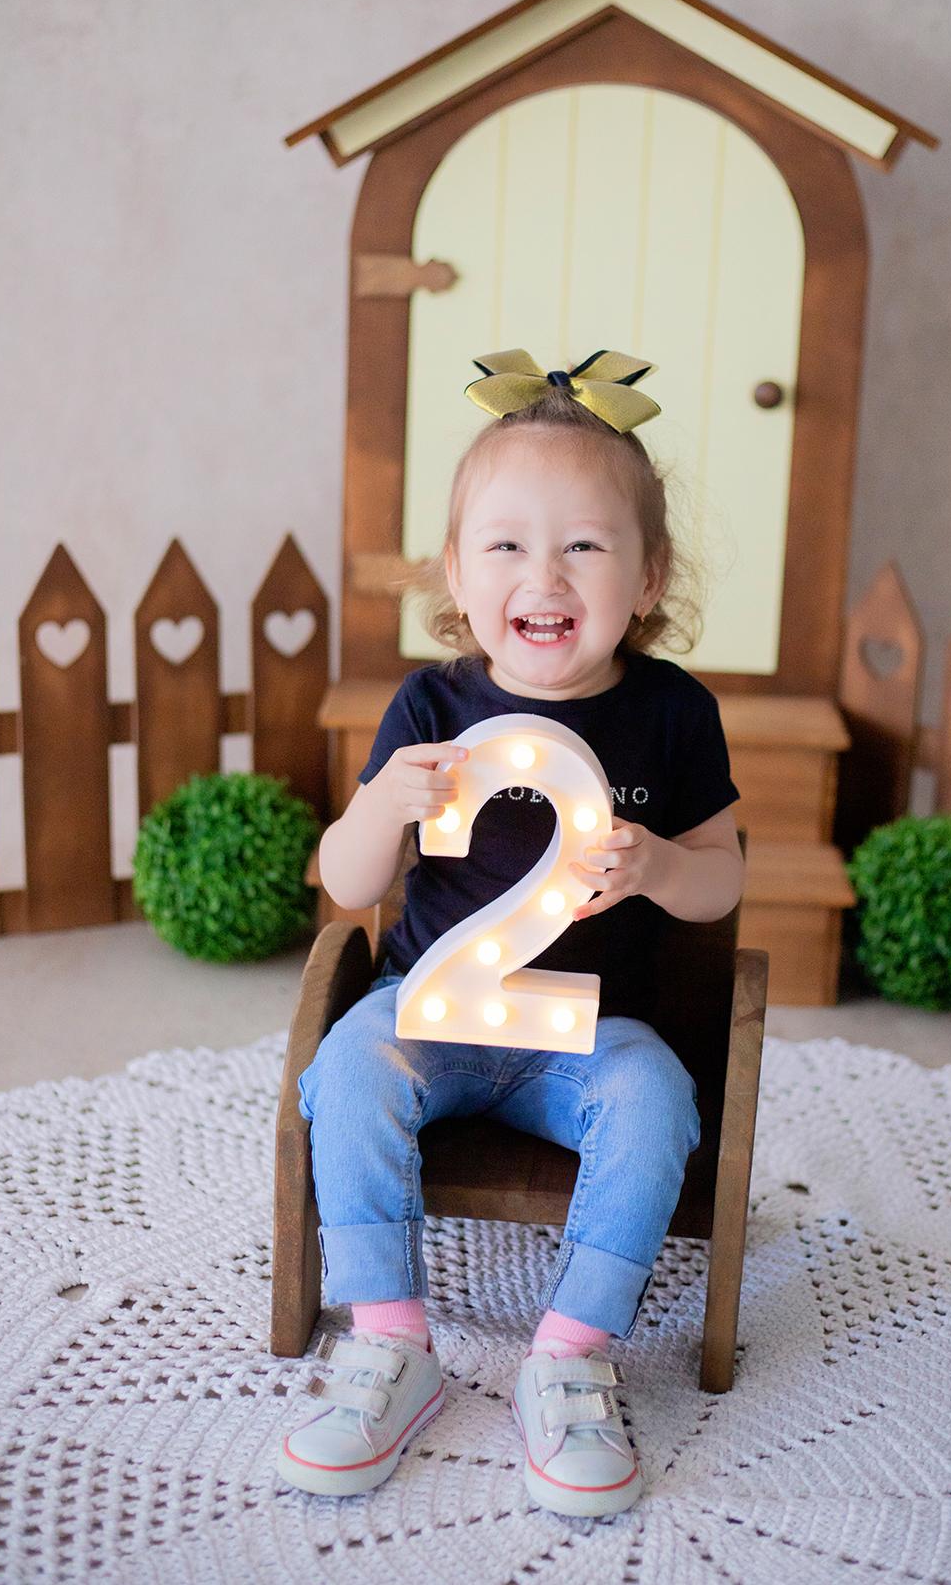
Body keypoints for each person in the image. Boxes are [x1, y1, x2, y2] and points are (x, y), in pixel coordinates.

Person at [277, 350, 743, 1517]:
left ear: (650, 576)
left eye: (586, 544)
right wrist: (381, 804)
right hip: (432, 1010)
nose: (546, 572)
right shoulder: (434, 707)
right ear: (454, 571)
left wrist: (666, 864)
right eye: (506, 544)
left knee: (658, 1104)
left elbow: (724, 884)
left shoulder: (674, 713)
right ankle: (391, 1341)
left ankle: (572, 1353)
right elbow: (344, 882)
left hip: (589, 1031)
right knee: (347, 1069)